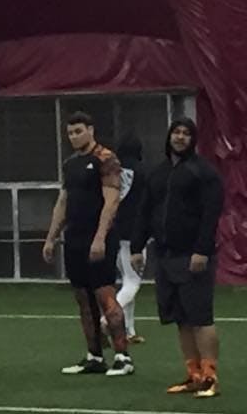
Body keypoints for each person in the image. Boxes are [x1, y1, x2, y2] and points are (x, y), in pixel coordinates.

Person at [130, 117, 223, 398]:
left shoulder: (203, 172)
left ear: (193, 139)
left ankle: (210, 377)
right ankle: (193, 374)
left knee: (200, 318)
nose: (180, 137)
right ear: (169, 136)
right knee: (181, 319)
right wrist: (136, 247)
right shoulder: (157, 173)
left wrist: (202, 250)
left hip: (193, 256)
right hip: (165, 256)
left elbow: (211, 213)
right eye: (176, 132)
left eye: (186, 133)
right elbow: (144, 211)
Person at [43, 111, 133, 377]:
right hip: (75, 238)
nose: (74, 137)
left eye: (78, 131)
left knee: (105, 295)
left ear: (91, 130)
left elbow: (111, 201)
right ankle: (94, 356)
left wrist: (100, 237)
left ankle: (123, 357)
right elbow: (63, 202)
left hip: (99, 239)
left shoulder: (106, 159)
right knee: (82, 298)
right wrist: (51, 237)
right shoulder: (70, 164)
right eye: (70, 133)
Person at [105, 132, 147, 344]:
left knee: (125, 279)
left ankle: (129, 330)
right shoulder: (142, 172)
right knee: (133, 282)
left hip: (115, 231)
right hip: (135, 234)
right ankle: (107, 319)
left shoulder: (114, 170)